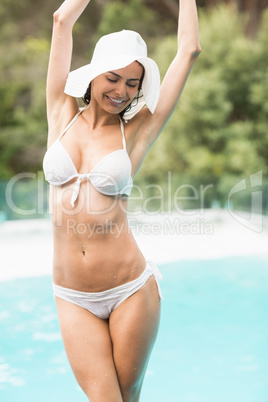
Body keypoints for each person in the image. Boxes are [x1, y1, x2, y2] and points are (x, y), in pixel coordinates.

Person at [43, 0, 201, 401]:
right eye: (114, 78)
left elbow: (189, 51)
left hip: (130, 289)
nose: (122, 91)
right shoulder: (60, 112)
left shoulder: (137, 131)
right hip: (72, 295)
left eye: (133, 84)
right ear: (94, 75)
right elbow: (62, 20)